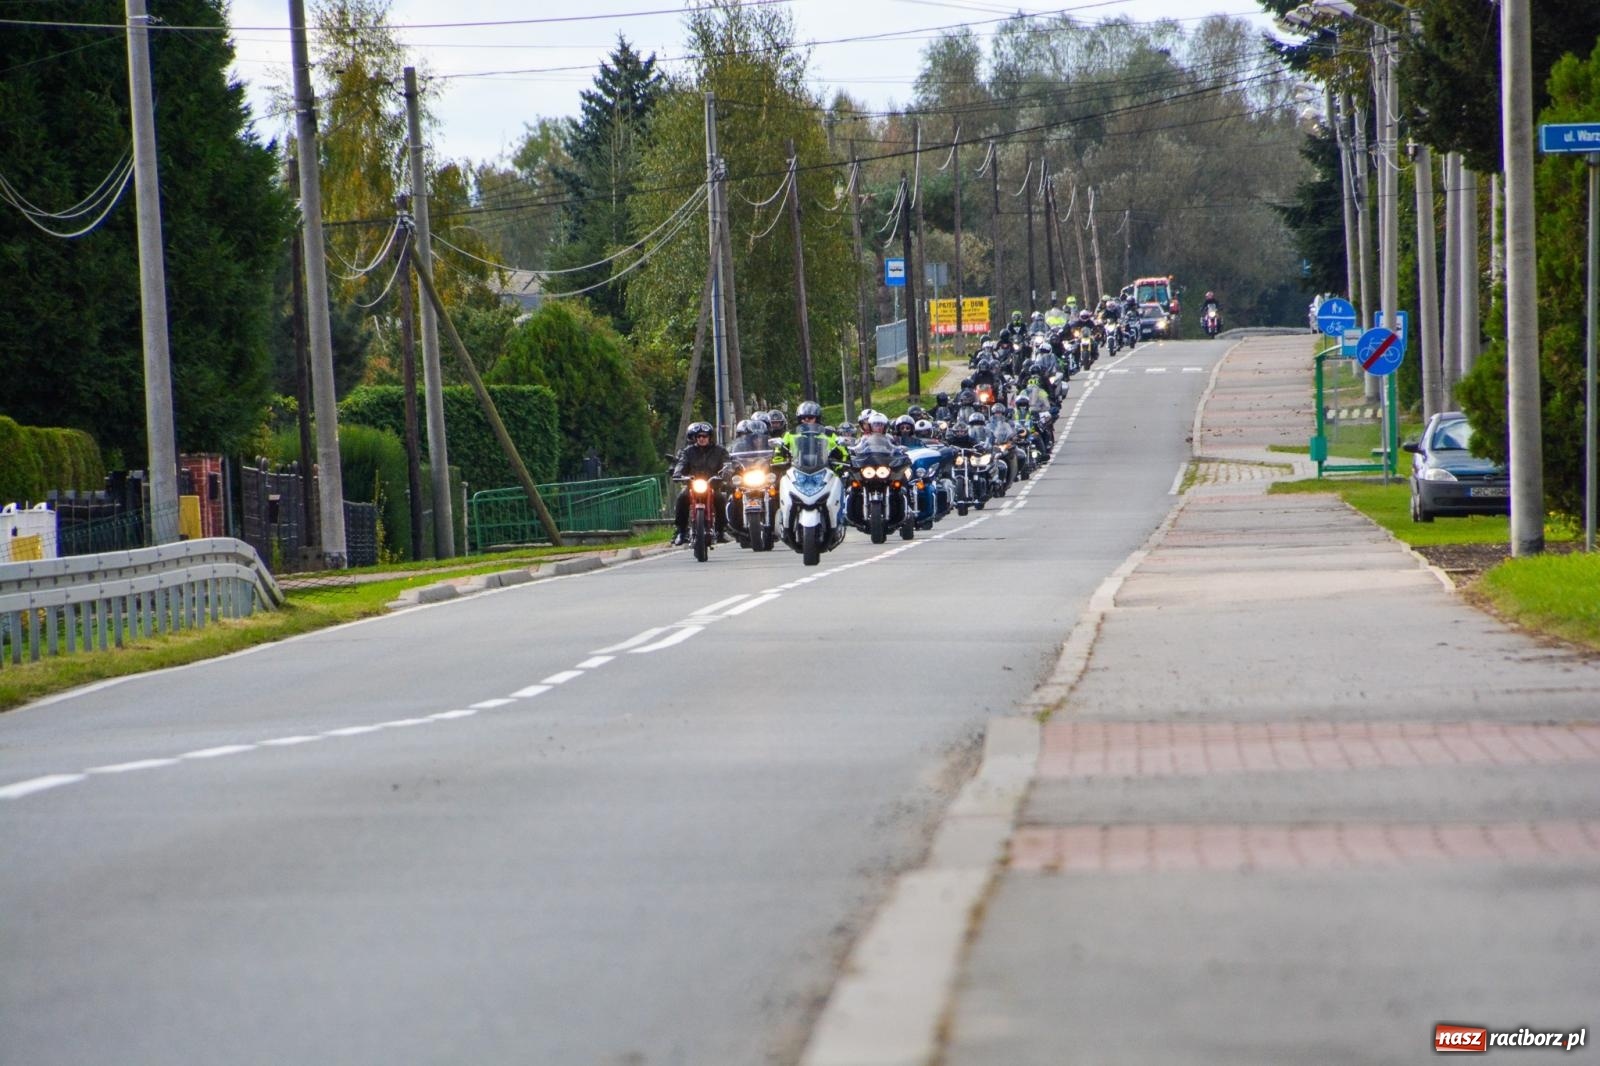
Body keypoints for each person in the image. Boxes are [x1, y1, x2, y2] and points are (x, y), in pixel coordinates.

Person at [671, 422, 730, 545]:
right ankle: (681, 532)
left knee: (721, 499)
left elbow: (727, 464)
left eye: (704, 436)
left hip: (712, 485)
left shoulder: (719, 451)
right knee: (682, 498)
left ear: (710, 437)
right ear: (695, 438)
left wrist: (726, 473)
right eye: (699, 436)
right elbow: (681, 463)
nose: (702, 439)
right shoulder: (688, 451)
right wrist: (677, 473)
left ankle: (720, 531)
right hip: (693, 485)